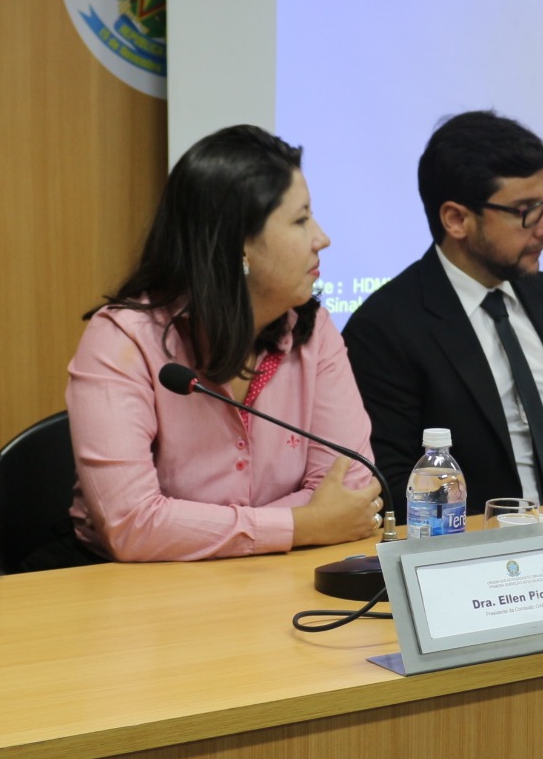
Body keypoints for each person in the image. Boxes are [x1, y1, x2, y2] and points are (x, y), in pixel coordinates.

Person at [64, 124, 380, 562]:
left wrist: (208, 530)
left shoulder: (311, 329)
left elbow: (351, 489)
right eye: (300, 220)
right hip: (137, 587)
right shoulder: (123, 340)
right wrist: (303, 525)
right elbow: (133, 525)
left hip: (277, 573)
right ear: (240, 246)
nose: (321, 238)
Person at [342, 111, 543, 509]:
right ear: (456, 219)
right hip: (485, 540)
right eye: (526, 210)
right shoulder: (385, 328)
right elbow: (393, 481)